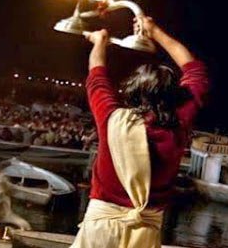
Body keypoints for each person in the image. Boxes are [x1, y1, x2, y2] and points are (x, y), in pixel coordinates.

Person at [69, 16, 208, 248]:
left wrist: (99, 43)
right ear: (174, 96)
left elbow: (97, 76)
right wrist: (154, 31)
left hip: (100, 232)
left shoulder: (112, 119)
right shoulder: (179, 124)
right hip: (144, 235)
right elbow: (196, 71)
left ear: (132, 91)